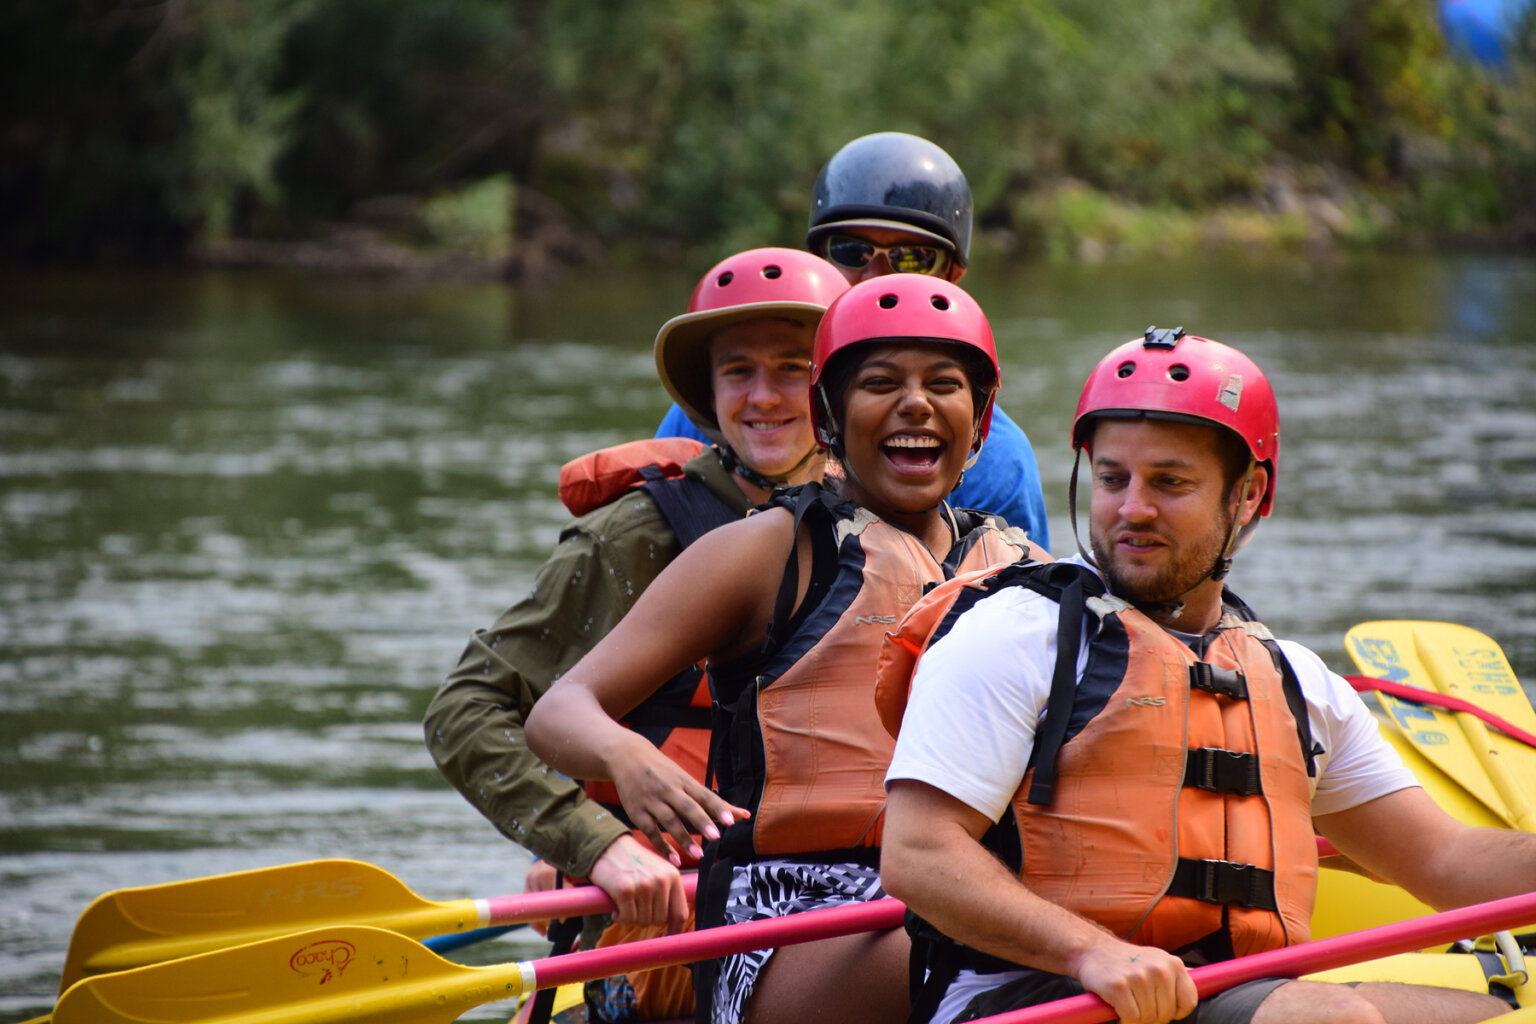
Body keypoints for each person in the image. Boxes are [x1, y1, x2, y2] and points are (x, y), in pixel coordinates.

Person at [876, 327, 1536, 1024]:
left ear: (1247, 496)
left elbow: (1446, 860)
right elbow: (918, 852)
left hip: (1228, 994)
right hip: (1035, 994)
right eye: (1112, 478)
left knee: (1487, 1014)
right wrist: (1089, 953)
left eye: (1170, 482)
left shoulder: (1295, 683)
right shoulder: (1015, 634)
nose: (1132, 507)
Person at [526, 275, 1043, 1024]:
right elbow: (560, 711)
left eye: (944, 384)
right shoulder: (765, 550)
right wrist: (623, 758)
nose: (915, 404)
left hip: (963, 893)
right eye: (879, 383)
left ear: (982, 419)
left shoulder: (1021, 570)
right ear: (827, 418)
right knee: (972, 954)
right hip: (784, 914)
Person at [424, 247, 848, 1024]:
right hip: (651, 943)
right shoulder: (636, 536)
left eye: (794, 369)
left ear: (834, 388)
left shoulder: (883, 531)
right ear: (706, 392)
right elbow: (465, 711)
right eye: (737, 373)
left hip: (823, 922)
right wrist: (592, 842)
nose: (764, 398)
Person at [655, 132, 1051, 547]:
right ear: (816, 260)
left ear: (953, 275)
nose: (875, 278)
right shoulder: (731, 403)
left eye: (911, 258)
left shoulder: (996, 461)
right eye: (849, 251)